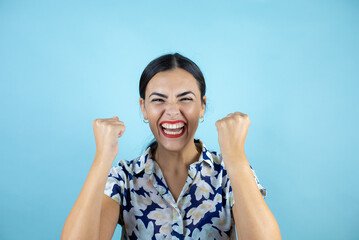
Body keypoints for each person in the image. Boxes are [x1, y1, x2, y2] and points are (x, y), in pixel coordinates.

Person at [61, 53, 281, 240]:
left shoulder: (228, 174)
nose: (173, 111)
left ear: (202, 107)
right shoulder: (123, 179)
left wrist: (236, 157)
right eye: (159, 100)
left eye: (185, 99)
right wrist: (102, 157)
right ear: (144, 108)